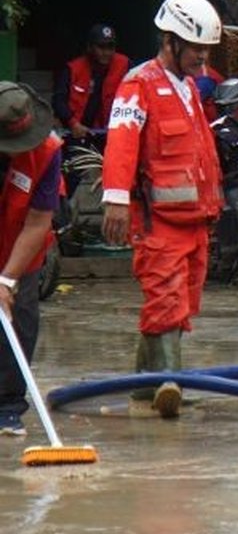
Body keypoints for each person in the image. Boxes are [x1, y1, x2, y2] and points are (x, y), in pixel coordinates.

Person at [101, 0, 225, 419]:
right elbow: (121, 143)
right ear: (170, 41)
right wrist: (115, 199)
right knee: (165, 296)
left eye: (207, 48)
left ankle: (143, 384)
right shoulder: (139, 85)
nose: (203, 57)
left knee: (183, 301)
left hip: (194, 220)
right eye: (196, 48)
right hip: (158, 220)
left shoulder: (189, 89)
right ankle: (171, 381)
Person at [0, 82, 63, 436]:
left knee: (19, 321)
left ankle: (8, 407)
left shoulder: (48, 150)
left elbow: (39, 221)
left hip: (22, 244)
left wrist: (7, 279)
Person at [53, 23, 130, 142]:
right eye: (101, 47)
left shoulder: (125, 65)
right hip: (76, 133)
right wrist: (73, 123)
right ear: (89, 47)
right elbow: (58, 100)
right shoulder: (73, 69)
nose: (106, 52)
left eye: (110, 47)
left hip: (112, 134)